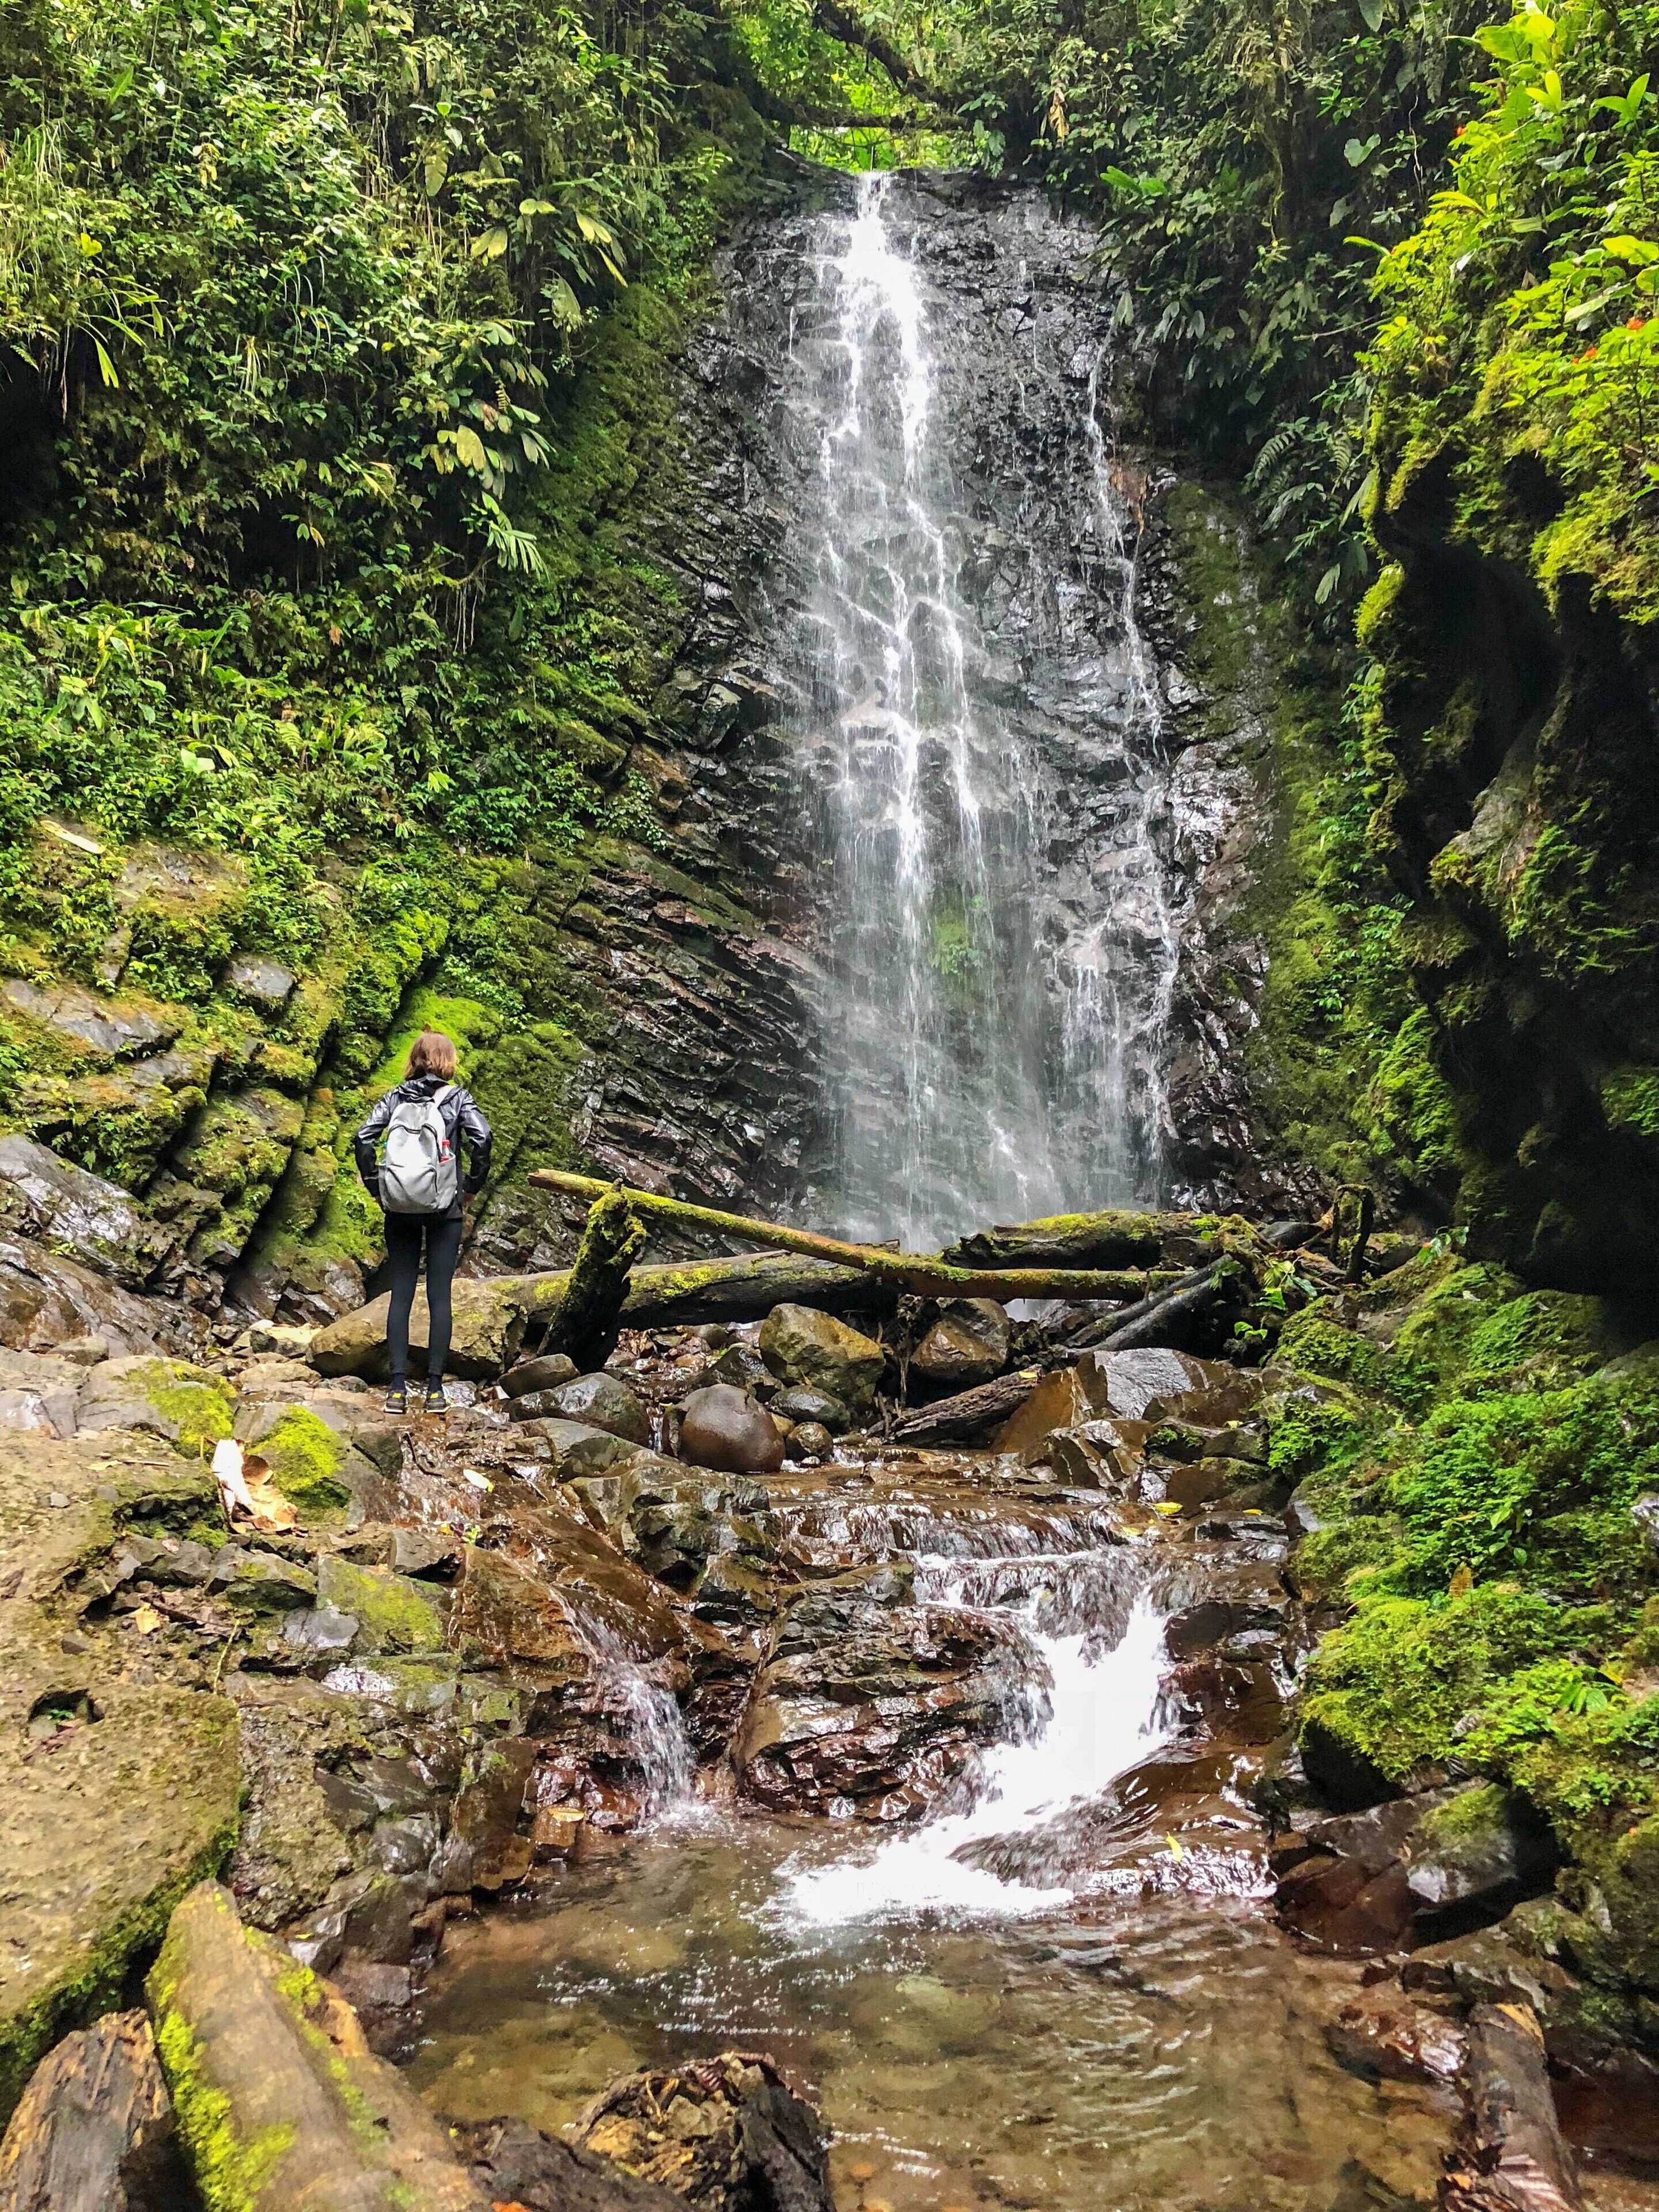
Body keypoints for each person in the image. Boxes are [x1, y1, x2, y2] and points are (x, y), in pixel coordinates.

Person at [353, 1029, 493, 1415]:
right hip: (445, 1207)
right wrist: (470, 1188)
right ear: (448, 1061)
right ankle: (434, 1390)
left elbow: (363, 1138)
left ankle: (396, 1390)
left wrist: (376, 1187)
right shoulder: (458, 1099)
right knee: (439, 1296)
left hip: (399, 1207)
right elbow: (483, 1138)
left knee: (402, 1293)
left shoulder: (395, 1097)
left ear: (414, 1059)